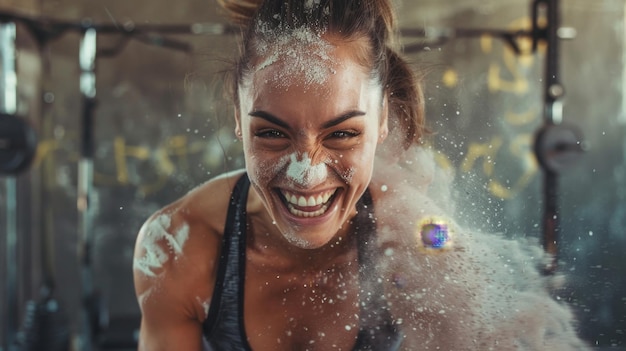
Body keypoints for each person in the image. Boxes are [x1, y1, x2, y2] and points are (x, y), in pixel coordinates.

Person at [133, 0, 589, 350]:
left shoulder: (418, 237)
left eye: (342, 134)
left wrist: (447, 270)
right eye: (272, 133)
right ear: (238, 117)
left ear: (382, 120)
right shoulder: (177, 245)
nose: (307, 174)